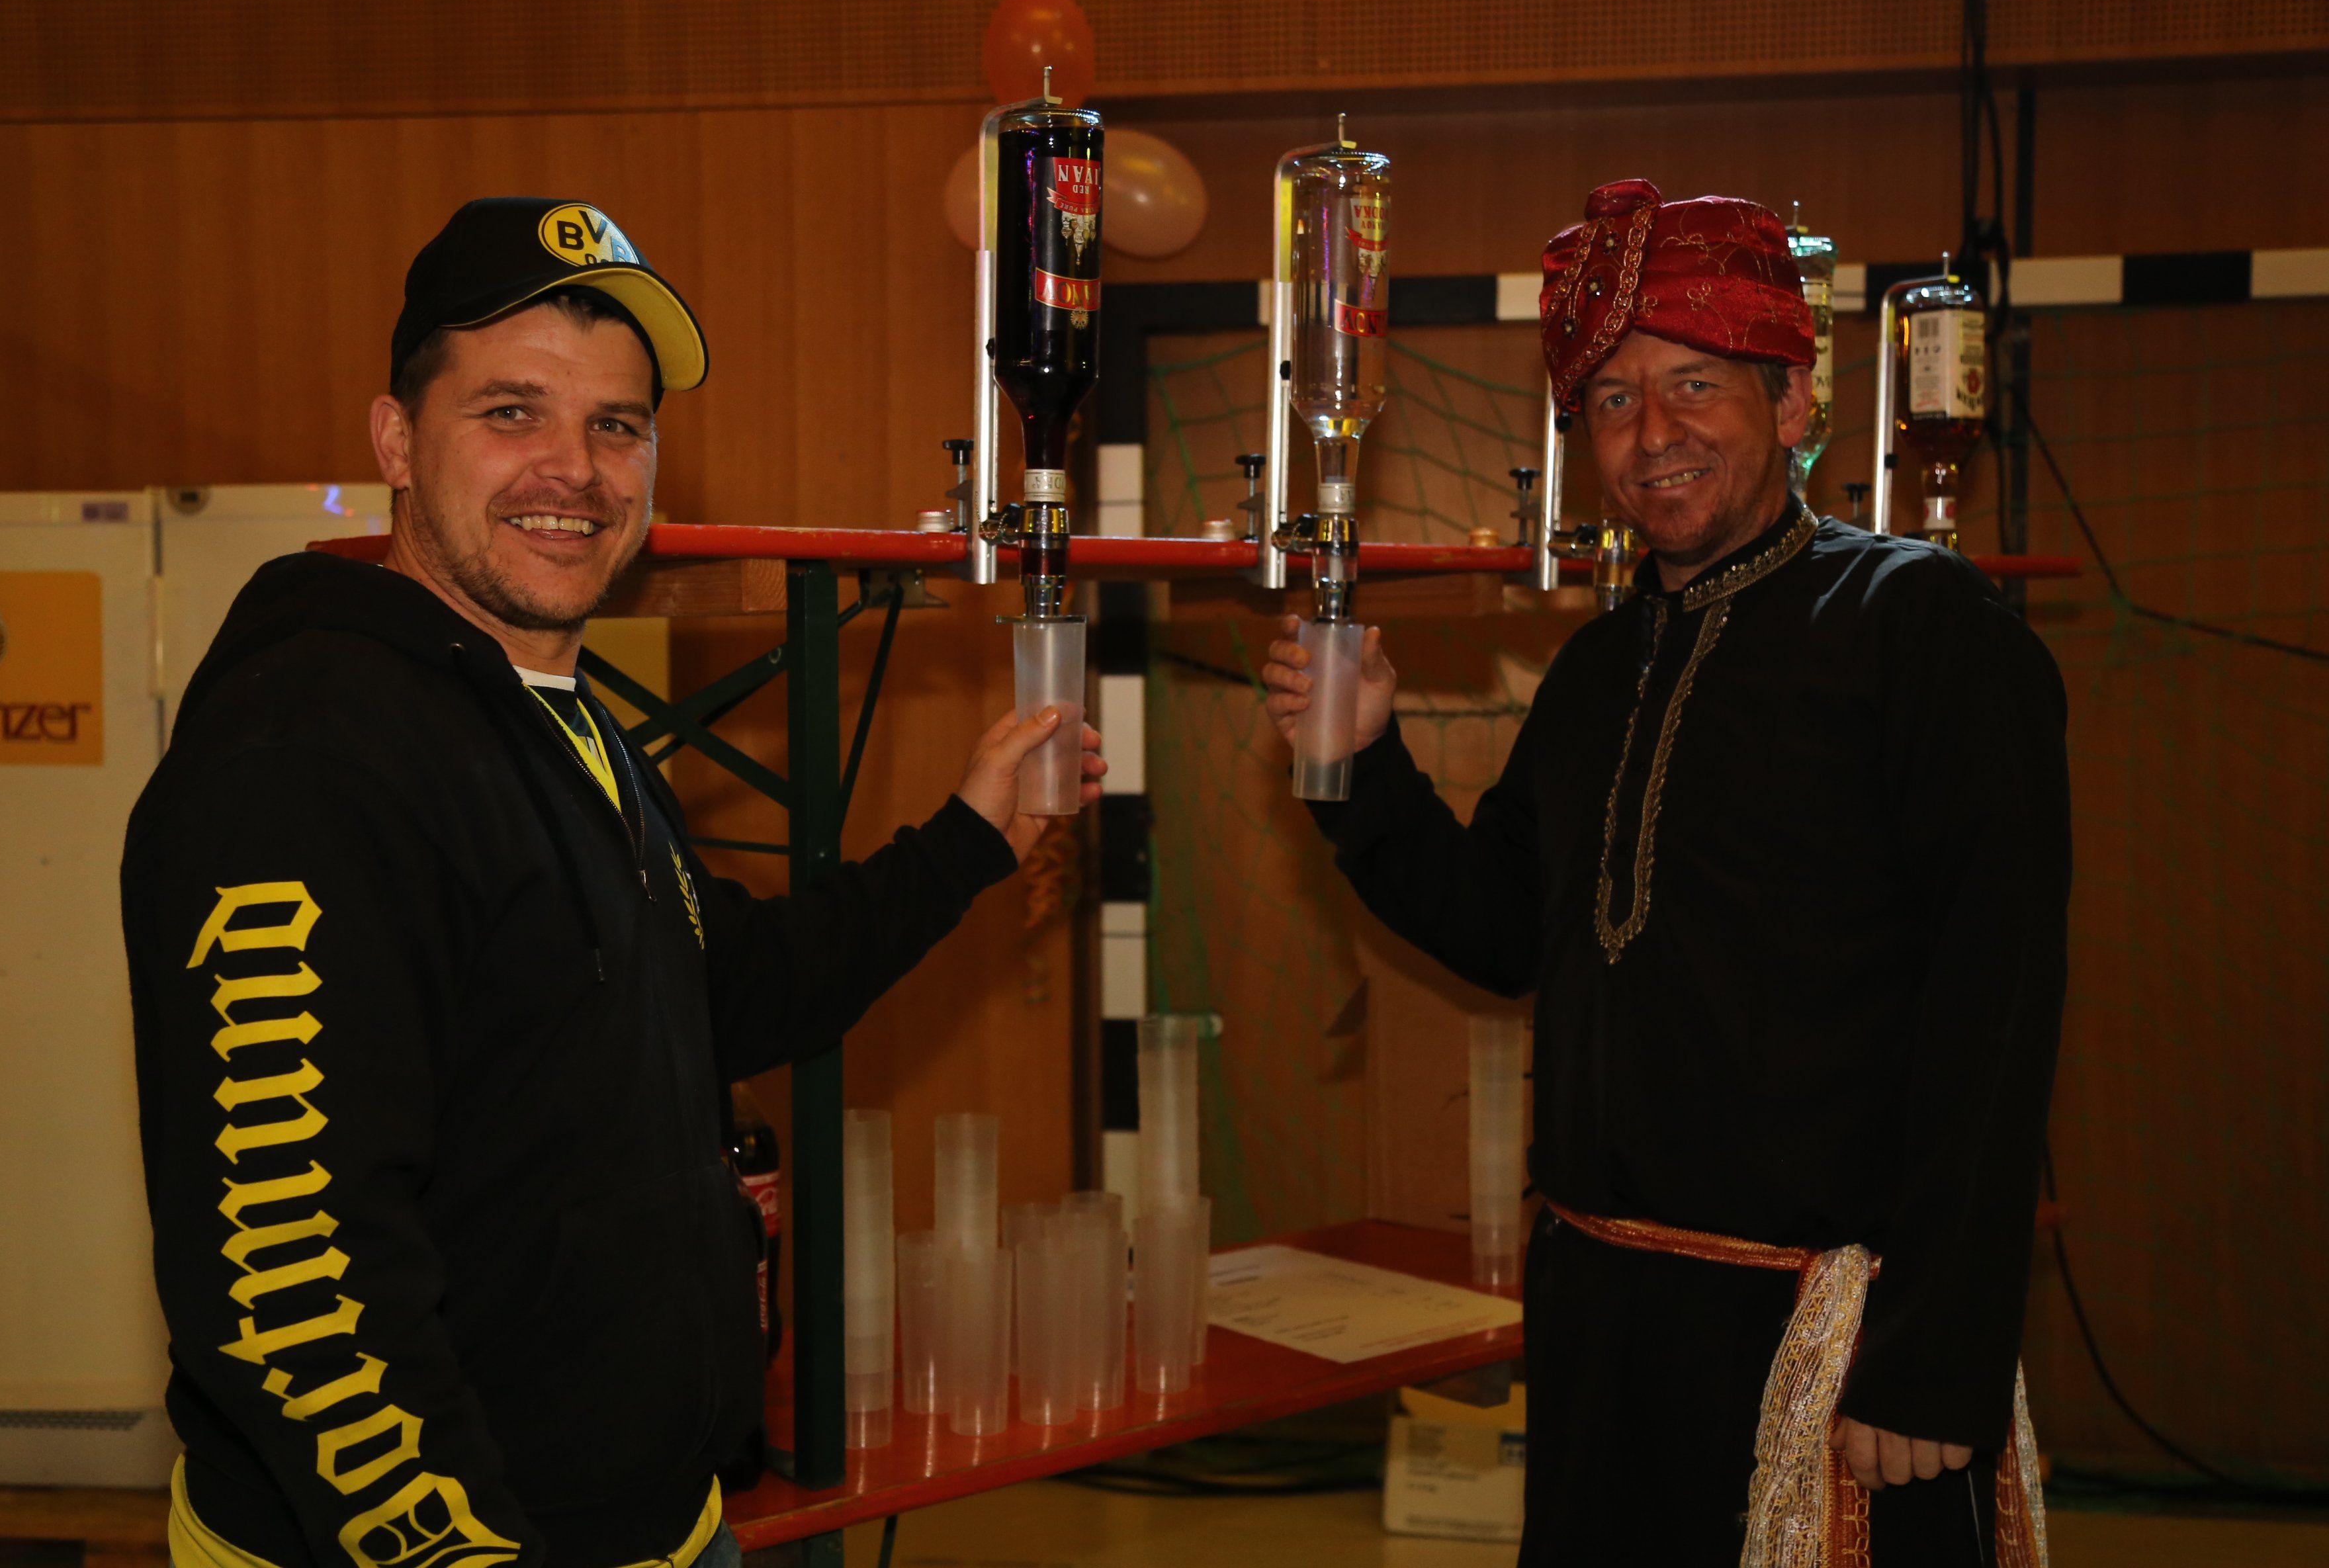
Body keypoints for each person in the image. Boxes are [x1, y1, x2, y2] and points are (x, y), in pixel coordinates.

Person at [124, 197, 1102, 1568]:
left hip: (655, 1522)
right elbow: (289, 1273)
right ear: (396, 440)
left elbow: (723, 992)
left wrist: (971, 838)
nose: (573, 470)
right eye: (511, 413)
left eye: (618, 426)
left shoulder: (561, 720)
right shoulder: (308, 754)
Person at [1262, 180, 2068, 1567]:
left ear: (1793, 403)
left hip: (1836, 1348)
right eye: (1613, 400)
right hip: (1602, 1337)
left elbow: (1997, 1009)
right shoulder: (1596, 670)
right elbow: (1500, 929)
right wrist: (1357, 769)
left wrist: (1938, 1354)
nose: (1653, 433)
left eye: (1697, 383)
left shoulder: (1925, 628)